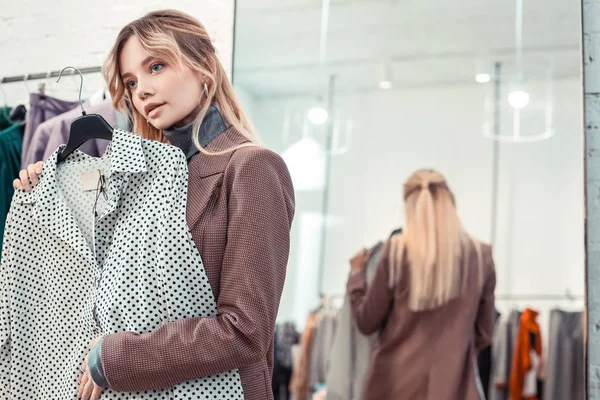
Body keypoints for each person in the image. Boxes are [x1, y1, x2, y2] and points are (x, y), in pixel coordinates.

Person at [13, 9, 295, 400]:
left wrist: (114, 359)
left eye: (156, 66)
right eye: (131, 81)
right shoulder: (143, 179)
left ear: (204, 67)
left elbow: (245, 332)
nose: (141, 90)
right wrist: (52, 189)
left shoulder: (251, 167)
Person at [347, 169, 495, 400]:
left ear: (409, 206)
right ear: (450, 201)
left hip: (393, 386)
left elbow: (366, 321)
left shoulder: (396, 252)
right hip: (453, 387)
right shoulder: (481, 255)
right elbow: (484, 334)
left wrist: (356, 276)